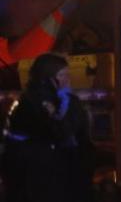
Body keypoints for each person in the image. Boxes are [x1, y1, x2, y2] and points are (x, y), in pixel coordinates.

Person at [1, 53, 94, 202]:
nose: (68, 78)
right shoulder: (34, 103)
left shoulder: (60, 100)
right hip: (40, 180)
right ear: (48, 78)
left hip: (55, 177)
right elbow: (59, 133)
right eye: (63, 74)